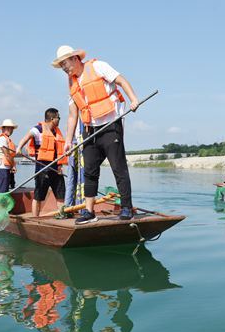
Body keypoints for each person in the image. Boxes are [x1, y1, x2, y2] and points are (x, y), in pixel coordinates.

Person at [52, 45, 140, 225]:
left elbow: (121, 80)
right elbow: (72, 115)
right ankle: (89, 212)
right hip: (89, 131)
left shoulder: (98, 66)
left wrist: (133, 99)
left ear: (75, 58)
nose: (64, 68)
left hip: (110, 126)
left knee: (118, 168)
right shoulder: (72, 82)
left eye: (65, 64)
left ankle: (126, 207)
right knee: (90, 172)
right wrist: (68, 141)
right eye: (61, 66)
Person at [16, 108, 68, 217]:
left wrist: (60, 166)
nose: (59, 120)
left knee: (60, 195)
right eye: (59, 117)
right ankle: (35, 218)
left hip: (56, 170)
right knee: (38, 196)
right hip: (42, 170)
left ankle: (63, 216)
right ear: (52, 118)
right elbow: (25, 138)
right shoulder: (38, 129)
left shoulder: (57, 132)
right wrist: (19, 148)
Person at [0, 119, 18, 193]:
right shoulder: (2, 139)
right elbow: (6, 154)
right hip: (1, 168)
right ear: (3, 128)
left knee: (5, 190)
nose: (10, 130)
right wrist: (13, 165)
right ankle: (1, 204)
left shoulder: (7, 139)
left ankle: (3, 204)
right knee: (2, 192)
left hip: (4, 168)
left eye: (11, 128)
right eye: (8, 128)